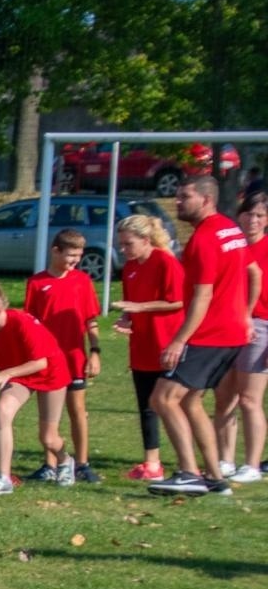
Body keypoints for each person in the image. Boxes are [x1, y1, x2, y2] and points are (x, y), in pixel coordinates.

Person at [147, 176, 250, 496]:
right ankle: (217, 478)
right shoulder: (231, 230)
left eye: (185, 196)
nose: (177, 202)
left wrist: (179, 340)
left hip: (210, 333)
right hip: (231, 332)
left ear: (206, 199)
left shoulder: (205, 239)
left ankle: (189, 473)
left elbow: (203, 297)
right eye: (177, 196)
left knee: (162, 398)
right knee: (190, 401)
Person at [0, 281, 70, 495]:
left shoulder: (22, 322)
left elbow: (40, 363)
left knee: (48, 438)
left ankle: (65, 461)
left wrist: (7, 373)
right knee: (2, 410)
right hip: (21, 376)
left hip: (50, 374)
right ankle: (3, 477)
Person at [22, 229, 102, 485]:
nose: (74, 262)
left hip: (74, 357)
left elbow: (91, 320)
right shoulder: (36, 283)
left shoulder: (82, 281)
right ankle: (50, 464)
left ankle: (82, 463)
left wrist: (95, 352)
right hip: (47, 360)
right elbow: (30, 323)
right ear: (55, 251)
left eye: (78, 256)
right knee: (48, 414)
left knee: (77, 409)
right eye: (70, 256)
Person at [110, 215, 185, 481]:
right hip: (141, 345)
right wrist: (127, 318)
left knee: (175, 405)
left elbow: (178, 301)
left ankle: (187, 463)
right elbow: (132, 302)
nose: (123, 249)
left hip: (167, 345)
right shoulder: (130, 266)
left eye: (128, 243)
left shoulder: (166, 262)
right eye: (121, 244)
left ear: (145, 240)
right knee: (146, 405)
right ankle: (152, 464)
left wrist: (140, 307)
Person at [211, 192, 268, 482]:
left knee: (249, 399)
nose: (253, 220)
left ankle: (252, 465)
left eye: (260, 215)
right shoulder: (233, 246)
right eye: (248, 214)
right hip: (228, 326)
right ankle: (225, 459)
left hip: (261, 327)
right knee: (224, 398)